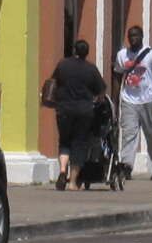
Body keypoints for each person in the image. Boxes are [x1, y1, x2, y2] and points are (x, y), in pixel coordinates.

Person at [43, 39, 107, 190]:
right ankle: (72, 182)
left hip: (64, 109)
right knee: (79, 143)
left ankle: (62, 170)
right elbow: (101, 91)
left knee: (64, 141)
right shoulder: (91, 69)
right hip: (84, 111)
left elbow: (54, 81)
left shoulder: (63, 65)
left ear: (74, 50)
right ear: (87, 53)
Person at [112, 26, 152, 180]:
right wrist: (115, 102)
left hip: (149, 99)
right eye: (130, 36)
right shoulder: (122, 55)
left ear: (142, 36)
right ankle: (126, 166)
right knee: (128, 134)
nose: (133, 38)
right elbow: (117, 77)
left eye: (136, 35)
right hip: (129, 100)